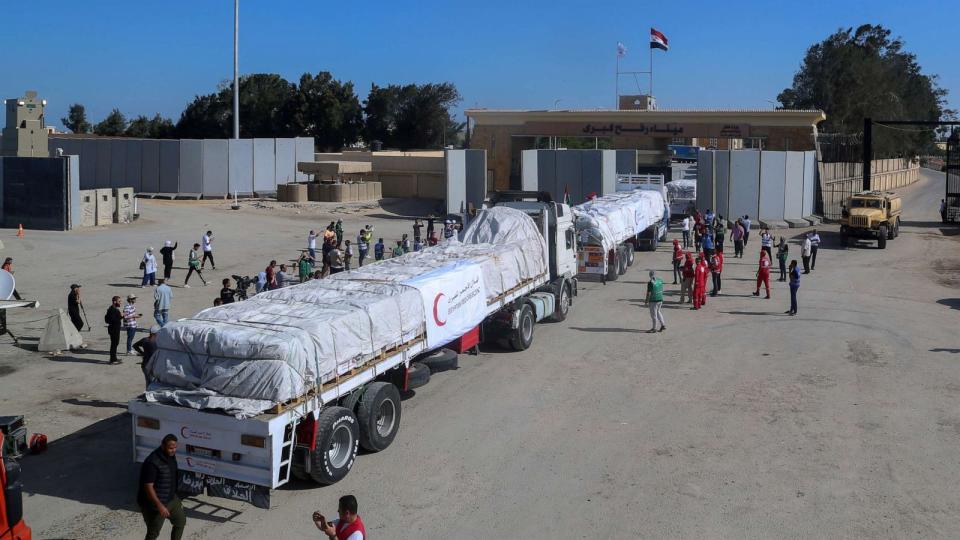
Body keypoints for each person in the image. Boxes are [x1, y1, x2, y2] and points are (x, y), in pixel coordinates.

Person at [138, 434, 186, 540]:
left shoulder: (171, 456)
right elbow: (148, 486)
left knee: (180, 522)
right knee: (153, 533)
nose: (173, 450)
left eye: (175, 448)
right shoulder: (152, 462)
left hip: (171, 499)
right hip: (154, 505)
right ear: (163, 446)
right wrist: (159, 505)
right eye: (170, 448)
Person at [104, 295, 123, 364]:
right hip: (114, 329)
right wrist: (120, 316)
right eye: (119, 301)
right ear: (115, 302)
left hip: (115, 328)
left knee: (115, 343)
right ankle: (113, 360)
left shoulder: (113, 308)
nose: (120, 302)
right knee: (114, 344)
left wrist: (121, 316)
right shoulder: (112, 310)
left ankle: (114, 358)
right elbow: (112, 320)